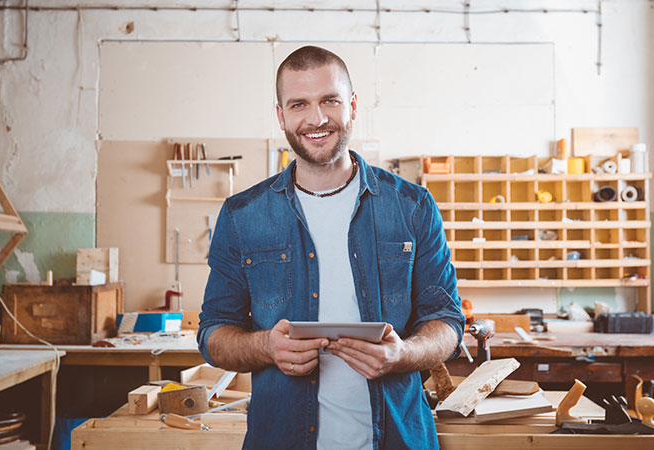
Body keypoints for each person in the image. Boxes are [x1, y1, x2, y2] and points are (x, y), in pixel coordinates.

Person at [198, 45, 464, 450]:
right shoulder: (242, 216)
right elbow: (214, 332)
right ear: (281, 115)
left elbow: (446, 321)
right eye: (299, 104)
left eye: (330, 101)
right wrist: (266, 346)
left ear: (352, 105)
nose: (316, 118)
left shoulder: (412, 207)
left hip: (396, 440)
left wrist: (403, 354)